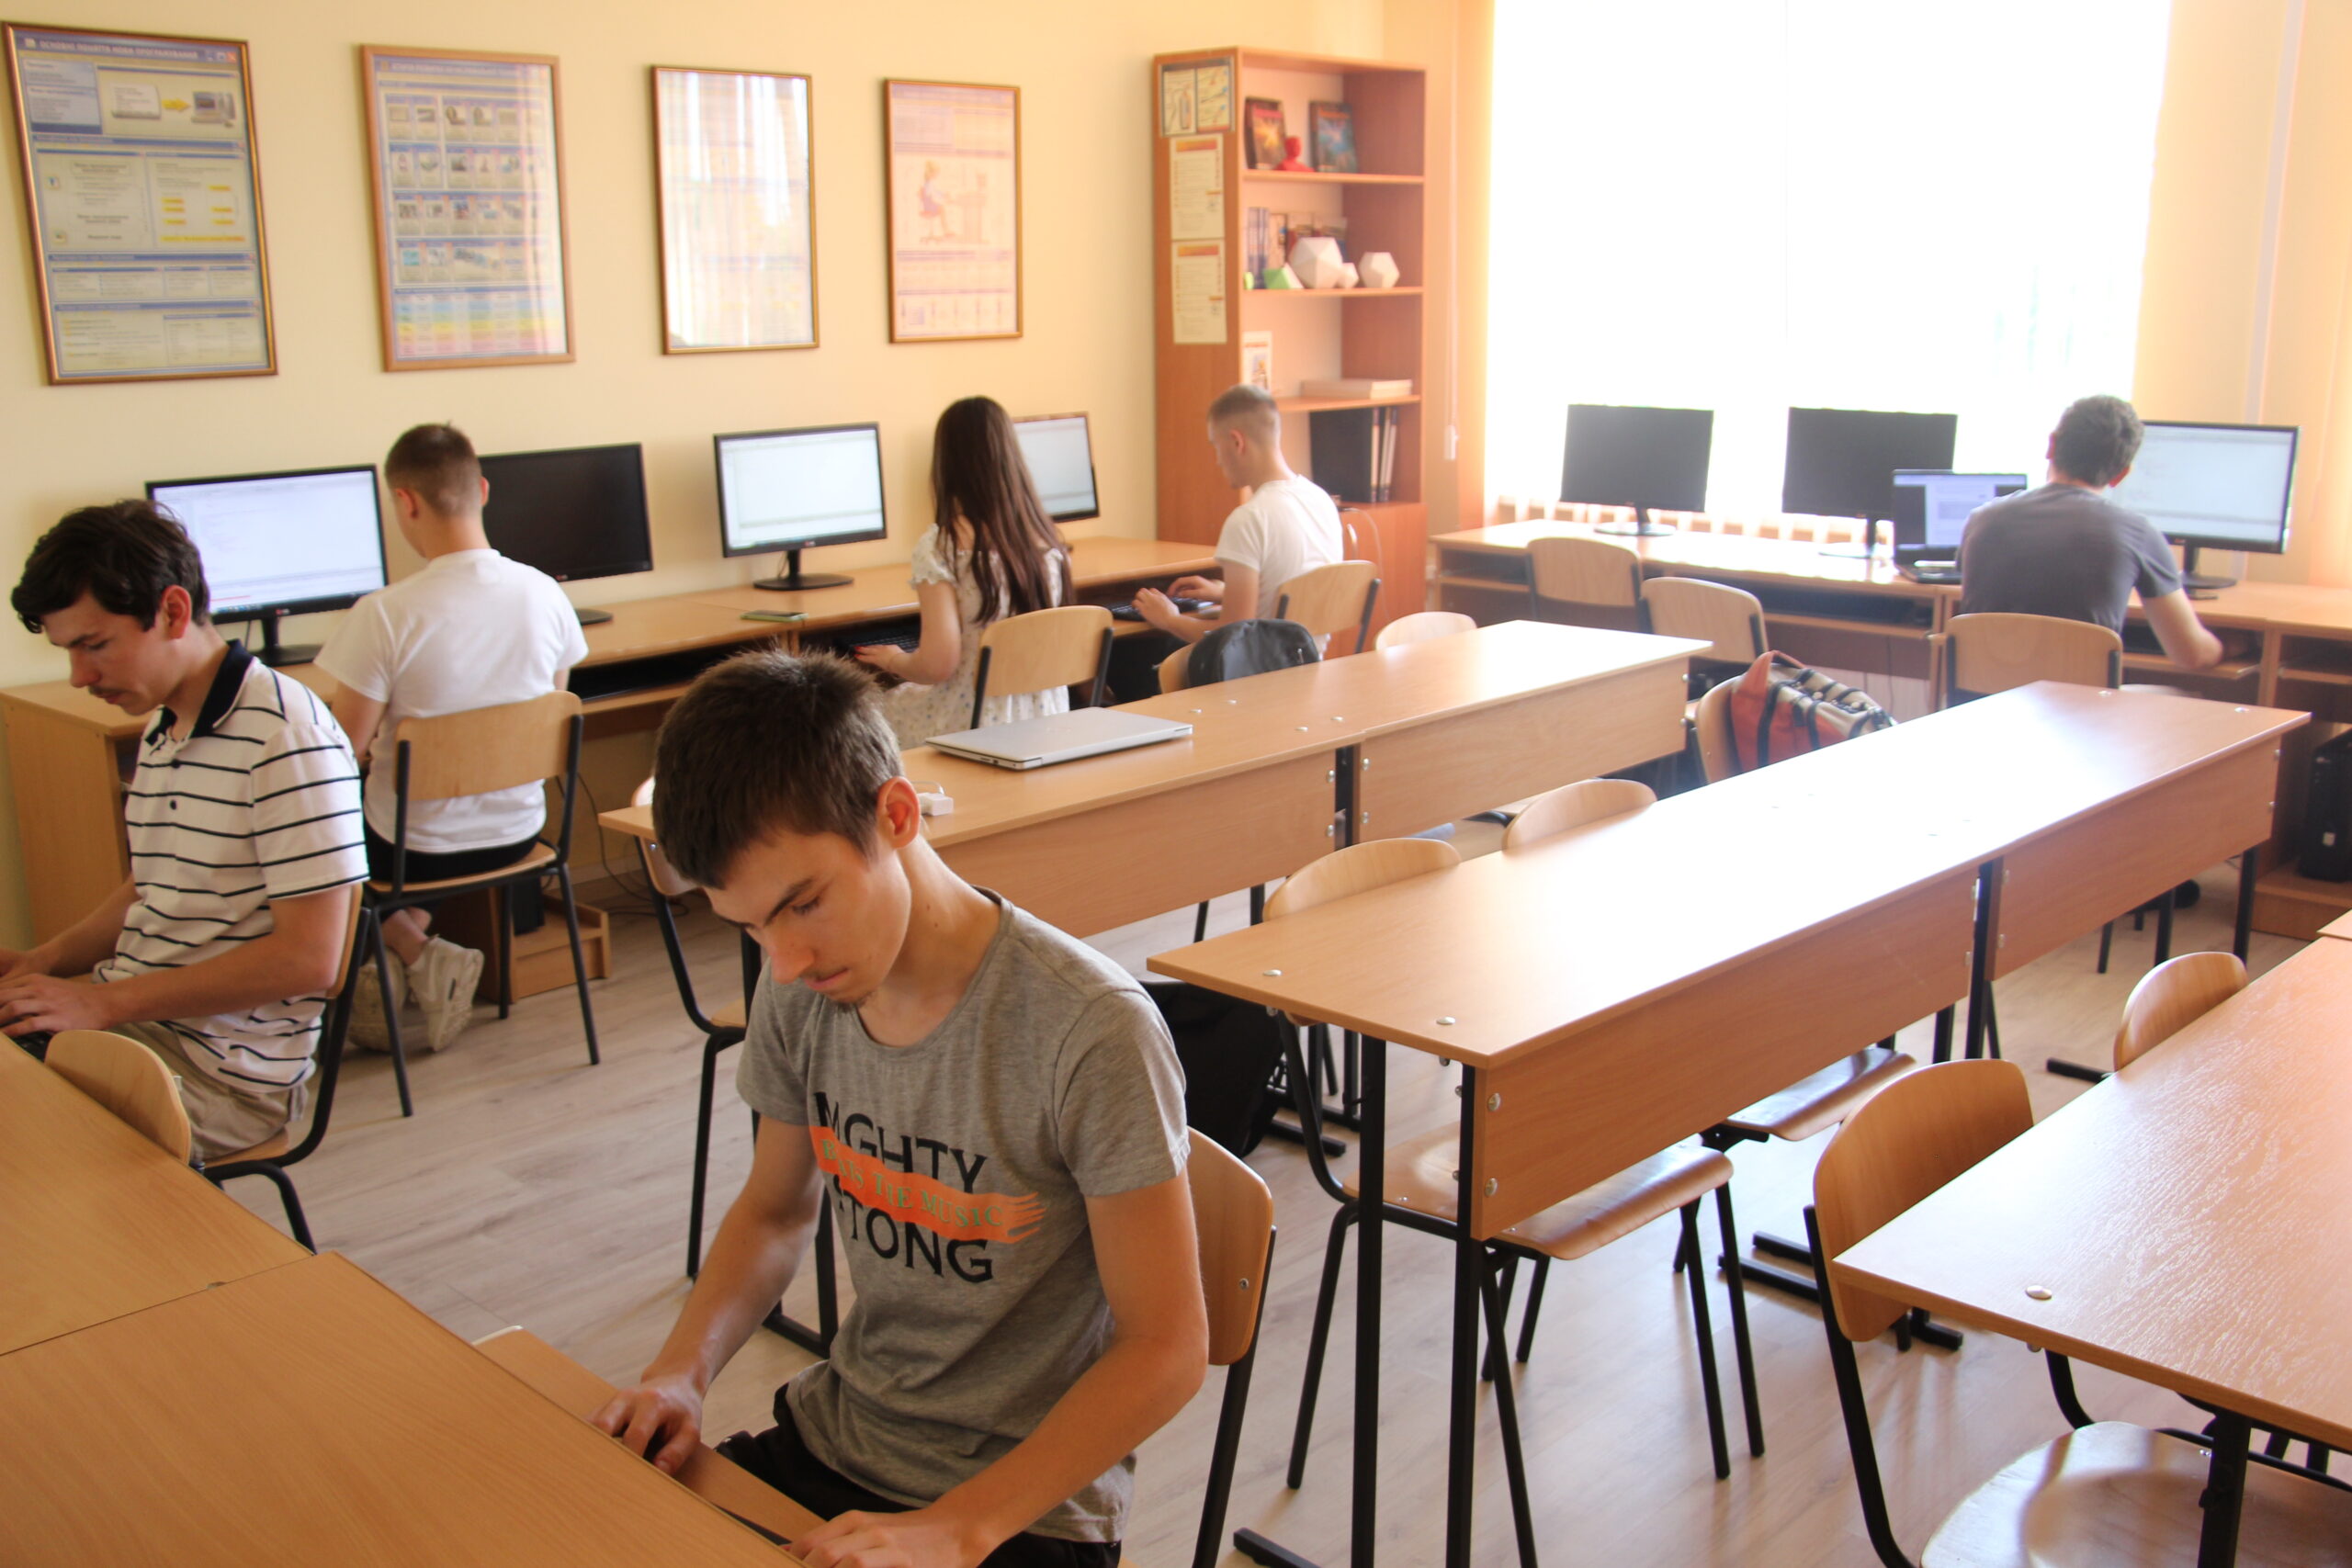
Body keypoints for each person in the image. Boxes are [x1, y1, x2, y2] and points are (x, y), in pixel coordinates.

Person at [594, 651, 1204, 1568]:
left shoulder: (1088, 1030)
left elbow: (1166, 1345)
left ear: (897, 815)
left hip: (1021, 1508)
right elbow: (774, 1212)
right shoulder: (800, 989)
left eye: (804, 904)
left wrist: (960, 1526)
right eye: (751, 927)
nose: (785, 961)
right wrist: (680, 1373)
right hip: (840, 1442)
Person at [1, 502, 365, 1161]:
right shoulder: (165, 724)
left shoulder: (287, 737)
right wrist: (45, 961)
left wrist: (102, 1003)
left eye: (94, 645)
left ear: (172, 611)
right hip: (139, 1027)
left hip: (222, 1081)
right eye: (68, 651)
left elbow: (309, 959)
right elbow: (152, 884)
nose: (80, 676)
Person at [316, 423, 587, 1053]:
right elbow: (549, 708)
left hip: (415, 851)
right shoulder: (545, 593)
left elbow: (339, 752)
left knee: (307, 826)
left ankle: (413, 949)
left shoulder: (384, 614)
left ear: (404, 501)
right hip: (519, 834)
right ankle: (411, 949)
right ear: (482, 490)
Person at [854, 397, 1074, 750]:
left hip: (974, 726)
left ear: (947, 464)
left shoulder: (943, 547)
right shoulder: (1048, 543)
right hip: (1049, 721)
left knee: (866, 712)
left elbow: (937, 666)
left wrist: (894, 659)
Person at [1959, 394, 2225, 670]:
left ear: (2052, 445)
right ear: (2122, 474)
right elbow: (2192, 656)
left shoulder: (1981, 520)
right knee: (2181, 693)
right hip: (2077, 698)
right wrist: (2233, 646)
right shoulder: (2138, 534)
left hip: (1982, 695)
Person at [1134, 382, 1342, 646]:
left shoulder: (1249, 519)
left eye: (1216, 446)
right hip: (1311, 662)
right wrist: (1226, 594)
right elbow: (1296, 596)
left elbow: (1231, 638)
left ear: (1236, 442)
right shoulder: (1320, 500)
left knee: (1146, 650)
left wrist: (1169, 619)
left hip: (1261, 670)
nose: (1218, 460)